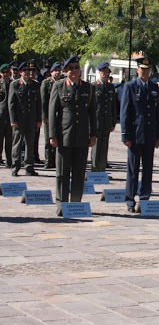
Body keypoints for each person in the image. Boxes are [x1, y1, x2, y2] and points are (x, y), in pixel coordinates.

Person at [49, 56, 97, 216]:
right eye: (71, 68)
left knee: (78, 172)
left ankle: (76, 204)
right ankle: (61, 204)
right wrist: (52, 135)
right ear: (66, 71)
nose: (74, 71)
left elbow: (92, 113)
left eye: (76, 67)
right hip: (64, 135)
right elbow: (52, 113)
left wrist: (93, 134)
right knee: (62, 173)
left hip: (82, 136)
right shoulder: (59, 86)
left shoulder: (88, 88)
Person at [120, 57, 159, 212]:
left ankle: (144, 198)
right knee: (133, 169)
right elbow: (125, 112)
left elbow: (158, 113)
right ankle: (130, 200)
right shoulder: (131, 86)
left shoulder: (154, 87)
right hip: (135, 135)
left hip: (150, 135)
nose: (145, 72)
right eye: (142, 69)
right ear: (137, 70)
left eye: (147, 69)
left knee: (148, 169)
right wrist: (125, 135)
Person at [8, 60, 42, 176]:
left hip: (31, 119)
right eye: (25, 71)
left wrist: (38, 119)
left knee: (30, 143)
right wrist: (13, 120)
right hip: (19, 119)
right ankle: (15, 166)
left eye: (30, 70)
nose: (28, 73)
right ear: (20, 72)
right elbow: (11, 104)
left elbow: (38, 104)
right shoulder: (15, 85)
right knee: (17, 144)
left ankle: (29, 167)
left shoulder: (35, 84)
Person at [91, 62, 118, 172]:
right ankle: (94, 169)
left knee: (104, 145)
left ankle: (102, 169)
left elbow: (113, 106)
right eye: (103, 72)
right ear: (99, 72)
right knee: (96, 146)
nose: (105, 74)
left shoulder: (111, 87)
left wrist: (113, 122)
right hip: (96, 120)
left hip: (107, 121)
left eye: (107, 72)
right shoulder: (93, 86)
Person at [41, 62, 62, 169]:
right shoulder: (46, 83)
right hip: (49, 116)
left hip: (59, 116)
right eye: (55, 71)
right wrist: (45, 116)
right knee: (49, 139)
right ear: (51, 72)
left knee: (58, 139)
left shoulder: (63, 83)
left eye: (59, 70)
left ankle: (56, 160)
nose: (58, 72)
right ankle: (48, 160)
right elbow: (44, 101)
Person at [0, 63, 13, 168]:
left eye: (7, 72)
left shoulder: (13, 84)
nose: (5, 74)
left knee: (9, 140)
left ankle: (9, 161)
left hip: (10, 116)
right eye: (3, 72)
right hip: (0, 116)